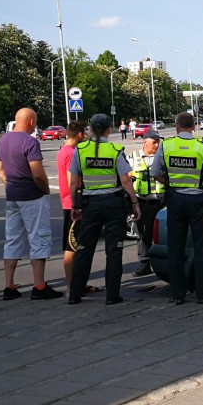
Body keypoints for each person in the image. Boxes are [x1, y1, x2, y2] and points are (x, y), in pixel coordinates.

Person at [67, 114, 140, 305]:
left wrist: (75, 205)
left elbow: (74, 182)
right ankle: (112, 296)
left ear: (90, 129)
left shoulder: (80, 150)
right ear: (109, 129)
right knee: (114, 250)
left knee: (84, 248)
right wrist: (134, 202)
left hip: (90, 204)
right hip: (113, 203)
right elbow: (125, 180)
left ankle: (75, 294)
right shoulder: (115, 149)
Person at [151, 112, 203, 304]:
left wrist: (170, 183)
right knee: (201, 249)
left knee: (175, 249)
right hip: (198, 201)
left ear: (176, 127)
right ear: (193, 127)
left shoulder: (167, 145)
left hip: (175, 200)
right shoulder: (202, 147)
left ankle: (178, 294)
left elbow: (155, 172)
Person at [0, 108, 62, 301]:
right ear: (31, 122)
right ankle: (39, 286)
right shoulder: (30, 142)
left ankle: (9, 286)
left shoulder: (3, 141)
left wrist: (11, 185)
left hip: (12, 196)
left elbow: (0, 170)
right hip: (32, 196)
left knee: (12, 239)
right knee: (38, 238)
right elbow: (38, 174)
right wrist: (46, 190)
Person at [57, 121, 102, 296]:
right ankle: (71, 287)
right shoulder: (70, 153)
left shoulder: (64, 150)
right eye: (84, 133)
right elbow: (73, 181)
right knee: (72, 247)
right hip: (72, 204)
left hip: (70, 202)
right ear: (79, 135)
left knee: (75, 246)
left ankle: (77, 284)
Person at [128, 128, 164, 277]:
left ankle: (163, 264)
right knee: (142, 234)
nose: (156, 145)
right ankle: (145, 264)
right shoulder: (132, 157)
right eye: (154, 142)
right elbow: (126, 179)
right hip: (142, 202)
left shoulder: (163, 156)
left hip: (162, 202)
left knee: (162, 234)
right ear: (145, 142)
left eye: (158, 142)